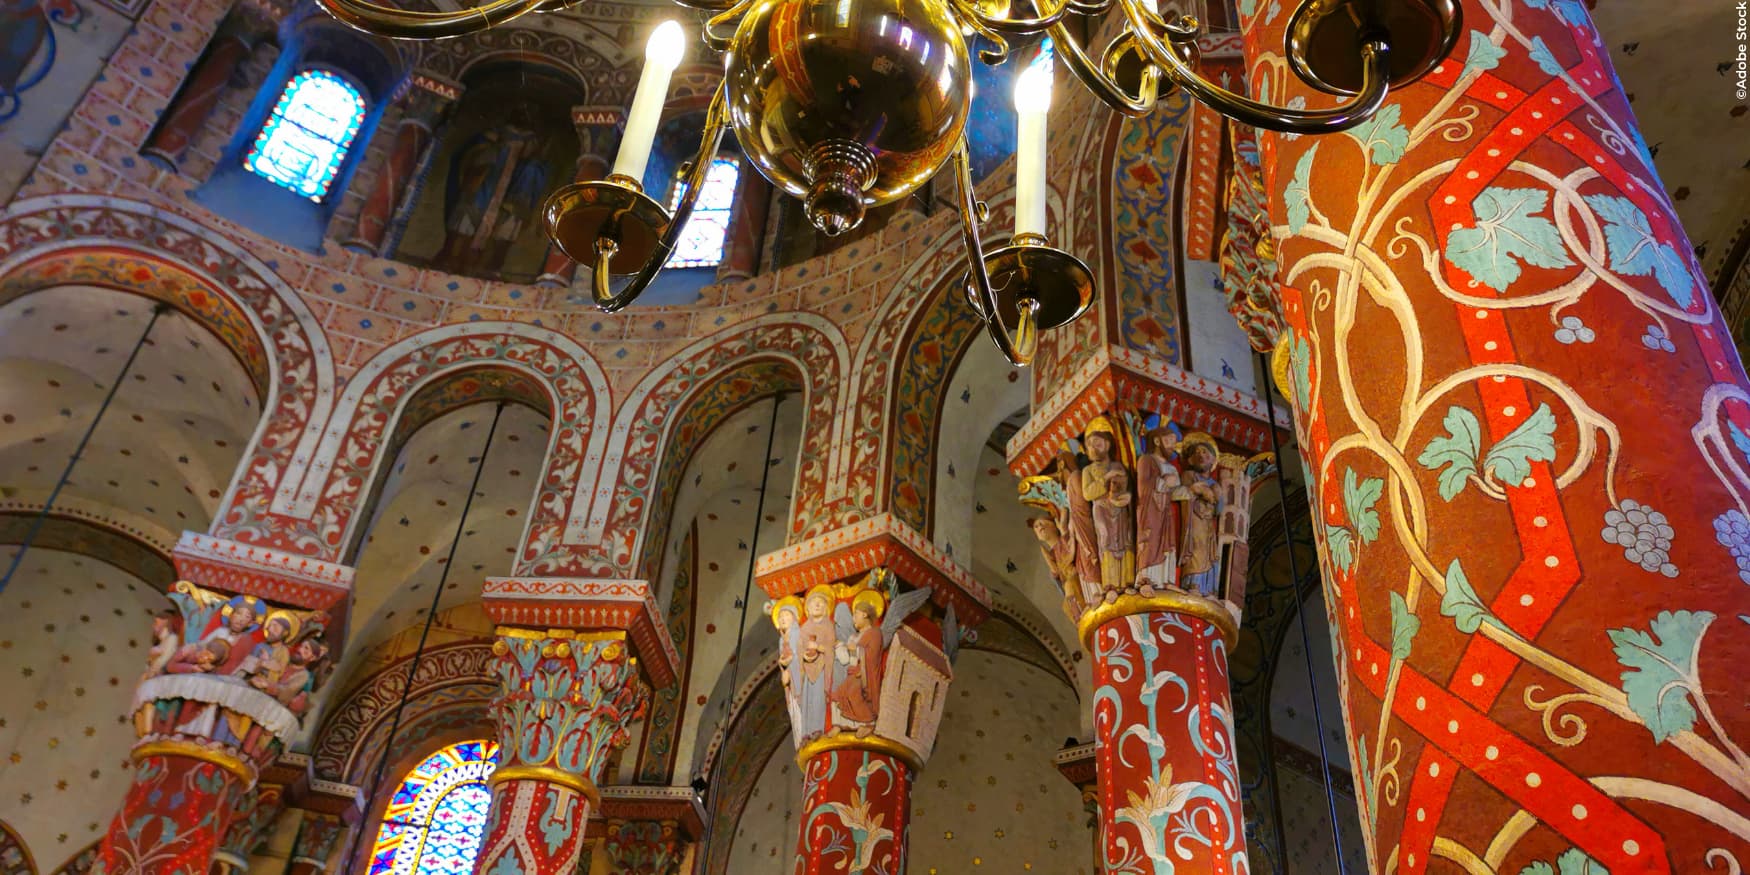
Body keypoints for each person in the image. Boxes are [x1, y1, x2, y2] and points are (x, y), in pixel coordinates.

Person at [1080, 425, 1136, 601]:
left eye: (1098, 444)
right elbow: (1088, 494)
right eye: (1090, 446)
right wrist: (1106, 477)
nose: (1093, 448)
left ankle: (1127, 582)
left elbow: (1129, 487)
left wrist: (1128, 496)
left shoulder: (1118, 465)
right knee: (1106, 541)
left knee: (1125, 540)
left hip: (1120, 509)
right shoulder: (1087, 471)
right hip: (1102, 510)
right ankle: (1110, 585)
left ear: (1108, 445)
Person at [1135, 427, 1182, 594]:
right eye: (1168, 440)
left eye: (1174, 442)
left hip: (1165, 510)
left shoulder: (1171, 468)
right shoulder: (1146, 460)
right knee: (1151, 539)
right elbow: (1142, 487)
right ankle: (1146, 579)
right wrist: (1163, 482)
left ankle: (1166, 579)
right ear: (1156, 441)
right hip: (1150, 509)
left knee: (1167, 542)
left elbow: (1176, 491)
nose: (1172, 446)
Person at [1176, 437, 1224, 597]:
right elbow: (1189, 490)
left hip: (1208, 523)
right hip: (1194, 519)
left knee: (1209, 550)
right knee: (1196, 546)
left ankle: (1208, 588)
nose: (1201, 455)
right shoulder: (1189, 475)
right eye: (1197, 453)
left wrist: (1217, 496)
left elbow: (1219, 510)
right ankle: (1193, 583)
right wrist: (1201, 491)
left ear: (1213, 460)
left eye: (1205, 452)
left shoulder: (1215, 484)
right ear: (1190, 460)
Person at [830, 600, 883, 735]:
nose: (853, 618)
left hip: (866, 674)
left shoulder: (875, 633)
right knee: (837, 693)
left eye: (855, 614)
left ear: (865, 614)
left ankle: (868, 722)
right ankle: (841, 724)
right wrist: (840, 647)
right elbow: (848, 659)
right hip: (854, 672)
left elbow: (873, 655)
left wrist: (857, 649)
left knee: (853, 692)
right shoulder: (854, 636)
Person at [796, 589, 837, 742]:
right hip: (808, 669)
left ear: (826, 608)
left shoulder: (828, 626)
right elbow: (799, 648)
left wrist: (818, 647)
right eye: (813, 603)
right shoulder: (804, 628)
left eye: (820, 603)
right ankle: (806, 731)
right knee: (807, 699)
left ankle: (817, 728)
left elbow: (831, 648)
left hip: (822, 667)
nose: (817, 605)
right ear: (808, 609)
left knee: (818, 697)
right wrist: (804, 655)